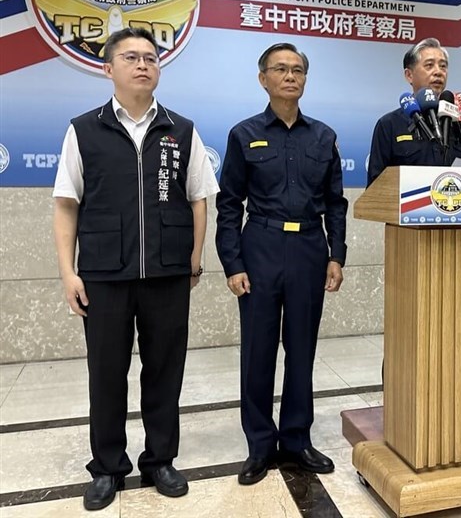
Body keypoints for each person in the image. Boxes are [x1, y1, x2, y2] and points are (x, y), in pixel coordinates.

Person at [52, 27, 219, 511]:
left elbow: (198, 196)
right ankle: (107, 467)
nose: (143, 63)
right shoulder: (84, 129)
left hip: (168, 273)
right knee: (106, 374)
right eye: (130, 57)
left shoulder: (181, 129)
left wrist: (194, 256)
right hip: (105, 275)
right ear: (108, 68)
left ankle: (160, 460)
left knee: (165, 371)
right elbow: (66, 204)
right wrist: (68, 272)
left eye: (150, 57)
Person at [215, 42, 347, 485]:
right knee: (258, 351)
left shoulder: (324, 136)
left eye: (298, 70)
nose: (290, 76)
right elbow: (229, 204)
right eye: (281, 69)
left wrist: (337, 254)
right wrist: (232, 262)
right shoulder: (243, 133)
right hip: (262, 247)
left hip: (310, 248)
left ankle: (296, 439)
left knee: (302, 350)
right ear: (263, 79)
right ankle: (259, 445)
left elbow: (335, 203)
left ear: (305, 79)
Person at [366, 37, 461, 186]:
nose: (438, 72)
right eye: (429, 65)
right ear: (409, 75)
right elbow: (375, 187)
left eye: (443, 66)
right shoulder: (390, 125)